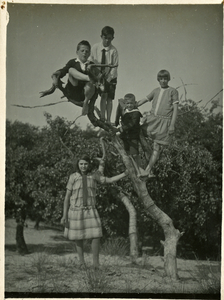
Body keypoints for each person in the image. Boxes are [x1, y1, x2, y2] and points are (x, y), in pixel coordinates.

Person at [60, 154, 128, 269]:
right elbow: (67, 197)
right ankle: (82, 264)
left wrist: (125, 174)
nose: (83, 166)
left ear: (89, 164)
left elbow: (109, 179)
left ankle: (96, 264)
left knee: (96, 235)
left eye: (85, 164)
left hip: (90, 210)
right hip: (76, 211)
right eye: (81, 164)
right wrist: (64, 215)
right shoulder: (73, 177)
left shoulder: (94, 175)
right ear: (78, 164)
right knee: (78, 237)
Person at [137, 70, 179, 178]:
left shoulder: (173, 91)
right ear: (158, 80)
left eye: (165, 79)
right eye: (161, 79)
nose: (163, 81)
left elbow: (175, 109)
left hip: (165, 122)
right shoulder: (155, 91)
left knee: (157, 146)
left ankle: (148, 170)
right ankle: (140, 163)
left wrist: (172, 125)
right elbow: (145, 100)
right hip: (152, 120)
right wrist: (133, 105)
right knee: (137, 131)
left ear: (168, 79)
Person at [51, 40, 99, 116]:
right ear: (77, 52)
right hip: (73, 91)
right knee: (71, 70)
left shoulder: (91, 65)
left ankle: (86, 103)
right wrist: (58, 73)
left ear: (89, 53)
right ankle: (88, 78)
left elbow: (99, 77)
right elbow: (64, 70)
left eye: (87, 51)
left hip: (85, 94)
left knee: (92, 81)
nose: (84, 53)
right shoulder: (73, 62)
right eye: (82, 51)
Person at [90, 26, 119, 124]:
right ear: (101, 36)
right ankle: (102, 117)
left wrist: (109, 79)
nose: (107, 40)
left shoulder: (113, 51)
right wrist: (97, 76)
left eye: (109, 38)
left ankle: (108, 119)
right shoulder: (95, 47)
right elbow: (91, 62)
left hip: (110, 76)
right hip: (99, 76)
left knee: (109, 98)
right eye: (105, 38)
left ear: (112, 38)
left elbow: (114, 67)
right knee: (103, 96)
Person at [115, 94, 148, 179]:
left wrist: (122, 129)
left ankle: (139, 170)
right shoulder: (124, 111)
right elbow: (120, 117)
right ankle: (137, 170)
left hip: (133, 135)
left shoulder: (136, 113)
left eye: (131, 103)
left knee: (135, 154)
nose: (129, 105)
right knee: (129, 154)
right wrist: (118, 126)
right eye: (127, 103)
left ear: (135, 103)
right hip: (125, 136)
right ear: (125, 104)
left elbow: (132, 124)